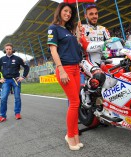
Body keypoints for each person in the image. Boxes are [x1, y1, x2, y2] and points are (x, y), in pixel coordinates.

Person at [47, 2, 83, 151]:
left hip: (75, 68)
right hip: (65, 69)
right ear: (60, 11)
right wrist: (61, 70)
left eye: (70, 12)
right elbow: (53, 51)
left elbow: (77, 46)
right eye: (65, 11)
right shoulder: (53, 28)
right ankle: (70, 135)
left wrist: (78, 33)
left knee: (76, 103)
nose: (68, 14)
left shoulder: (68, 30)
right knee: (74, 103)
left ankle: (75, 136)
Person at [78, 3, 110, 108]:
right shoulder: (82, 28)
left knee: (110, 81)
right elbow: (86, 46)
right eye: (91, 14)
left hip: (103, 61)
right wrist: (105, 44)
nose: (94, 16)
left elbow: (110, 46)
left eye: (96, 13)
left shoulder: (104, 29)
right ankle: (85, 91)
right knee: (98, 75)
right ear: (85, 16)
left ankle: (101, 108)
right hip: (87, 60)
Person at [0, 43, 29, 123]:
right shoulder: (1, 59)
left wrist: (23, 77)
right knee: (3, 98)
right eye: (7, 49)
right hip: (6, 81)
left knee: (17, 97)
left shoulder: (17, 58)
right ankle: (2, 116)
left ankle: (17, 113)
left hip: (15, 80)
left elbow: (26, 67)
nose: (8, 50)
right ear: (5, 50)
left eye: (10, 49)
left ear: (12, 50)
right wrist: (0, 78)